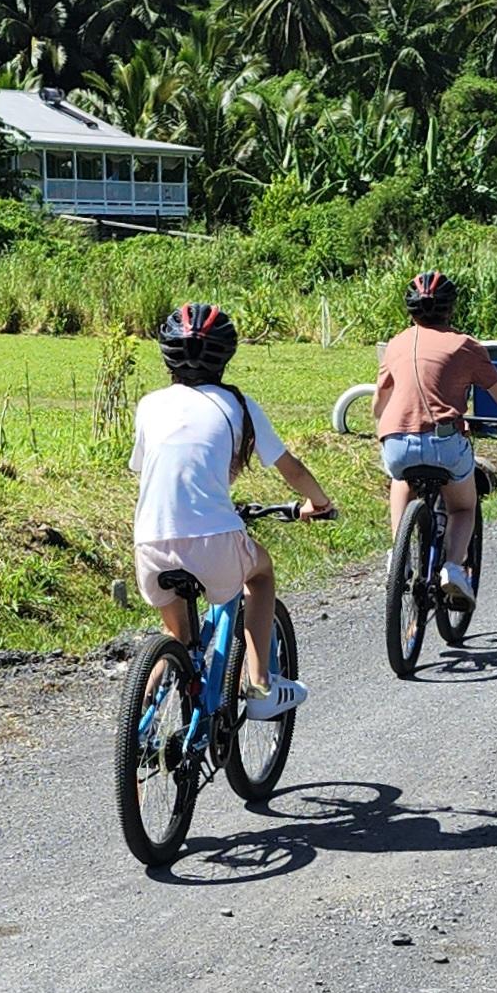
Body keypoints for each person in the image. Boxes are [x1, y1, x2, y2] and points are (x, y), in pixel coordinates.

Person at [131, 302, 334, 714]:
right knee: (260, 574)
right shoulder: (239, 405)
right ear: (226, 355)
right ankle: (259, 685)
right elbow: (290, 467)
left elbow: (152, 467)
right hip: (214, 540)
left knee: (179, 641)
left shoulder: (149, 405)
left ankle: (144, 723)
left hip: (149, 541)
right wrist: (319, 502)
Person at [372, 271, 497, 598]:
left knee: (401, 479)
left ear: (410, 311)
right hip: (445, 441)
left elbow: (380, 399)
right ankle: (453, 567)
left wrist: (384, 422)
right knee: (463, 506)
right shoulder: (465, 345)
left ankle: (398, 553)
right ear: (451, 309)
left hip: (396, 441)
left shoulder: (396, 344)